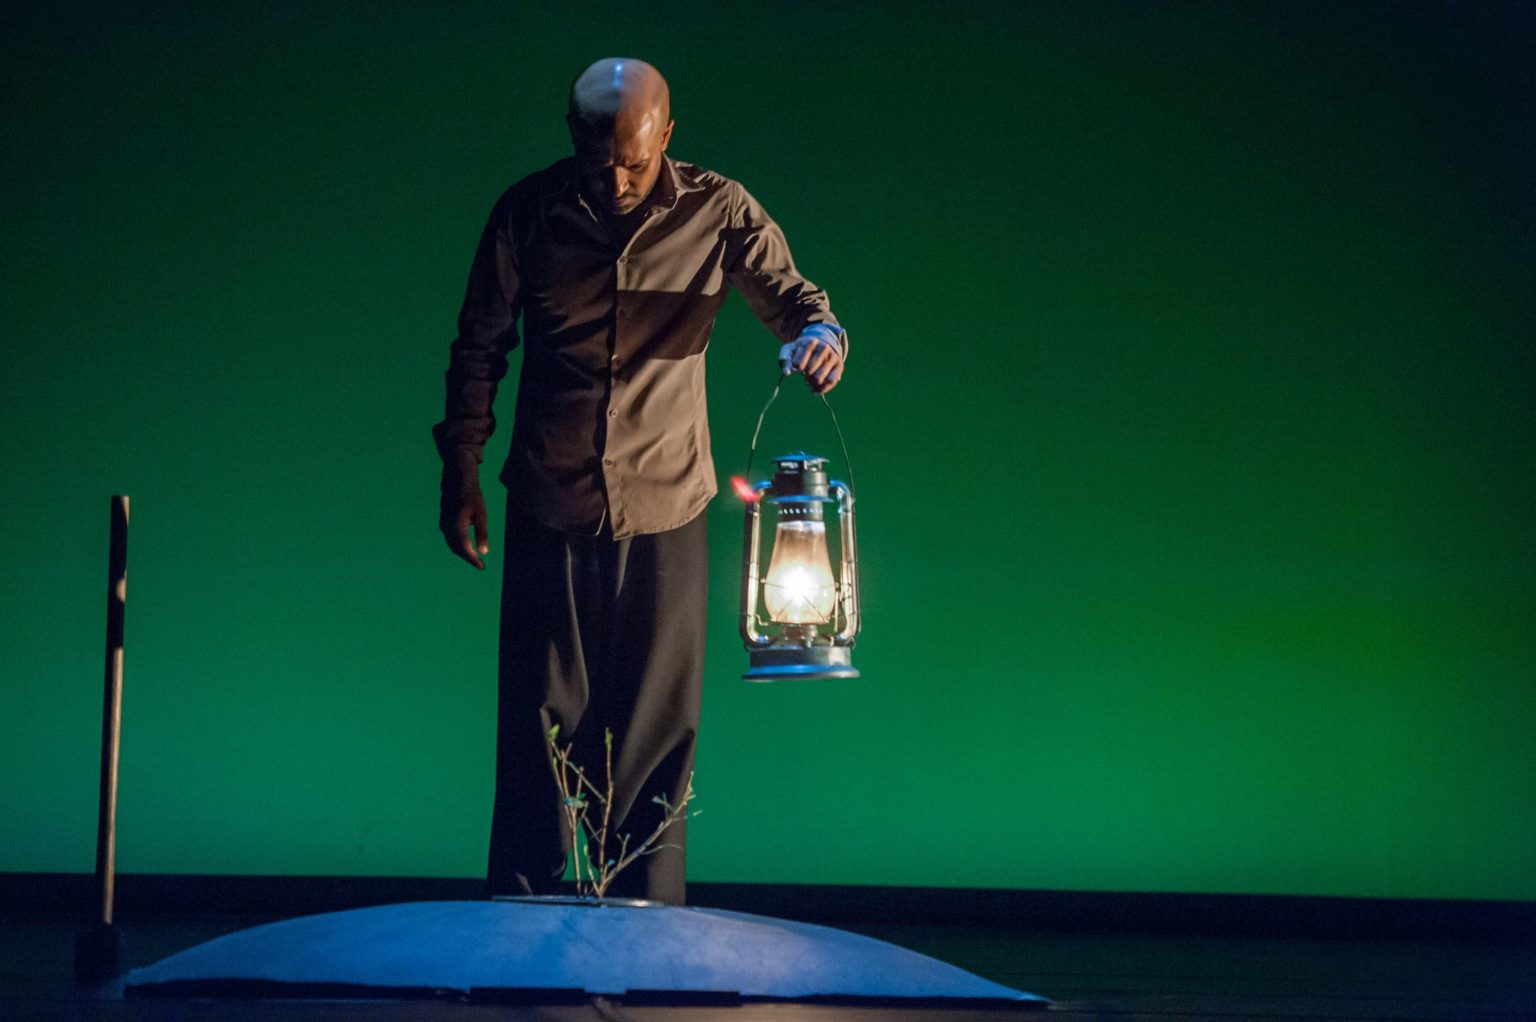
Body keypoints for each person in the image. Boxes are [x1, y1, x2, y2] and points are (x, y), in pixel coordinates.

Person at [432, 57, 847, 905]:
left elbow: (800, 304)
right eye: (599, 161)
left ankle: (651, 923)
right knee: (538, 726)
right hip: (551, 499)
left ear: (667, 135)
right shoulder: (527, 214)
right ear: (572, 138)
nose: (617, 181)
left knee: (657, 734)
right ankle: (522, 923)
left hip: (667, 505)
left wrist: (821, 338)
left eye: (635, 160)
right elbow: (479, 348)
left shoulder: (719, 210)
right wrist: (461, 471)